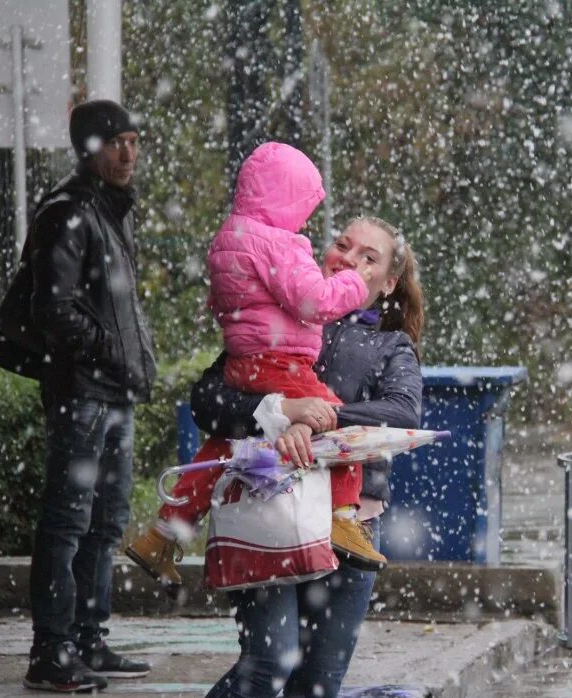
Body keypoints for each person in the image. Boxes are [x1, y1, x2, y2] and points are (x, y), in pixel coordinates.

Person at [173, 217, 424, 698]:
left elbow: (403, 412)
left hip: (348, 529)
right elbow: (208, 402)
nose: (349, 259)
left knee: (315, 691)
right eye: (343, 244)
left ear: (387, 284)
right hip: (269, 515)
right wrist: (279, 411)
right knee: (265, 666)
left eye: (369, 257)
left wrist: (323, 417)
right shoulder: (276, 316)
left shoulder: (390, 343)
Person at [129, 142, 385, 579]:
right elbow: (314, 301)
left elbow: (225, 300)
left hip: (244, 361)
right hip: (280, 362)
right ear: (286, 199)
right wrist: (354, 285)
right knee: (341, 422)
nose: (305, 220)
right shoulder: (279, 243)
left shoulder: (230, 236)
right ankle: (344, 519)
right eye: (303, 207)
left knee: (224, 449)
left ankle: (163, 533)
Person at [3, 100, 156, 692]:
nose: (128, 154)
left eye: (134, 141)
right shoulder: (67, 212)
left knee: (106, 520)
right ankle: (51, 651)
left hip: (112, 391)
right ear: (88, 148)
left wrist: (126, 361)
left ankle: (89, 640)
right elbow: (54, 309)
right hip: (82, 392)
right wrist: (108, 351)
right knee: (68, 518)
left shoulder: (111, 210)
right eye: (116, 142)